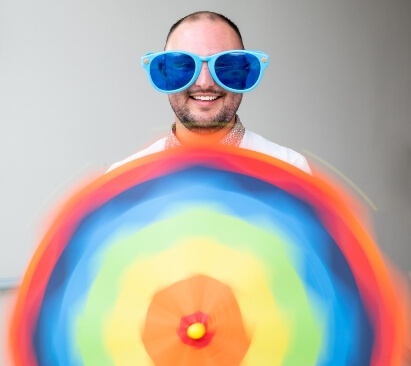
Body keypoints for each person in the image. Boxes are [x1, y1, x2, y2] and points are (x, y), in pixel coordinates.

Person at [108, 11, 311, 174]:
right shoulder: (123, 182)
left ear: (244, 73)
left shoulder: (289, 170)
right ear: (165, 75)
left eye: (225, 65)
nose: (204, 82)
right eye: (184, 65)